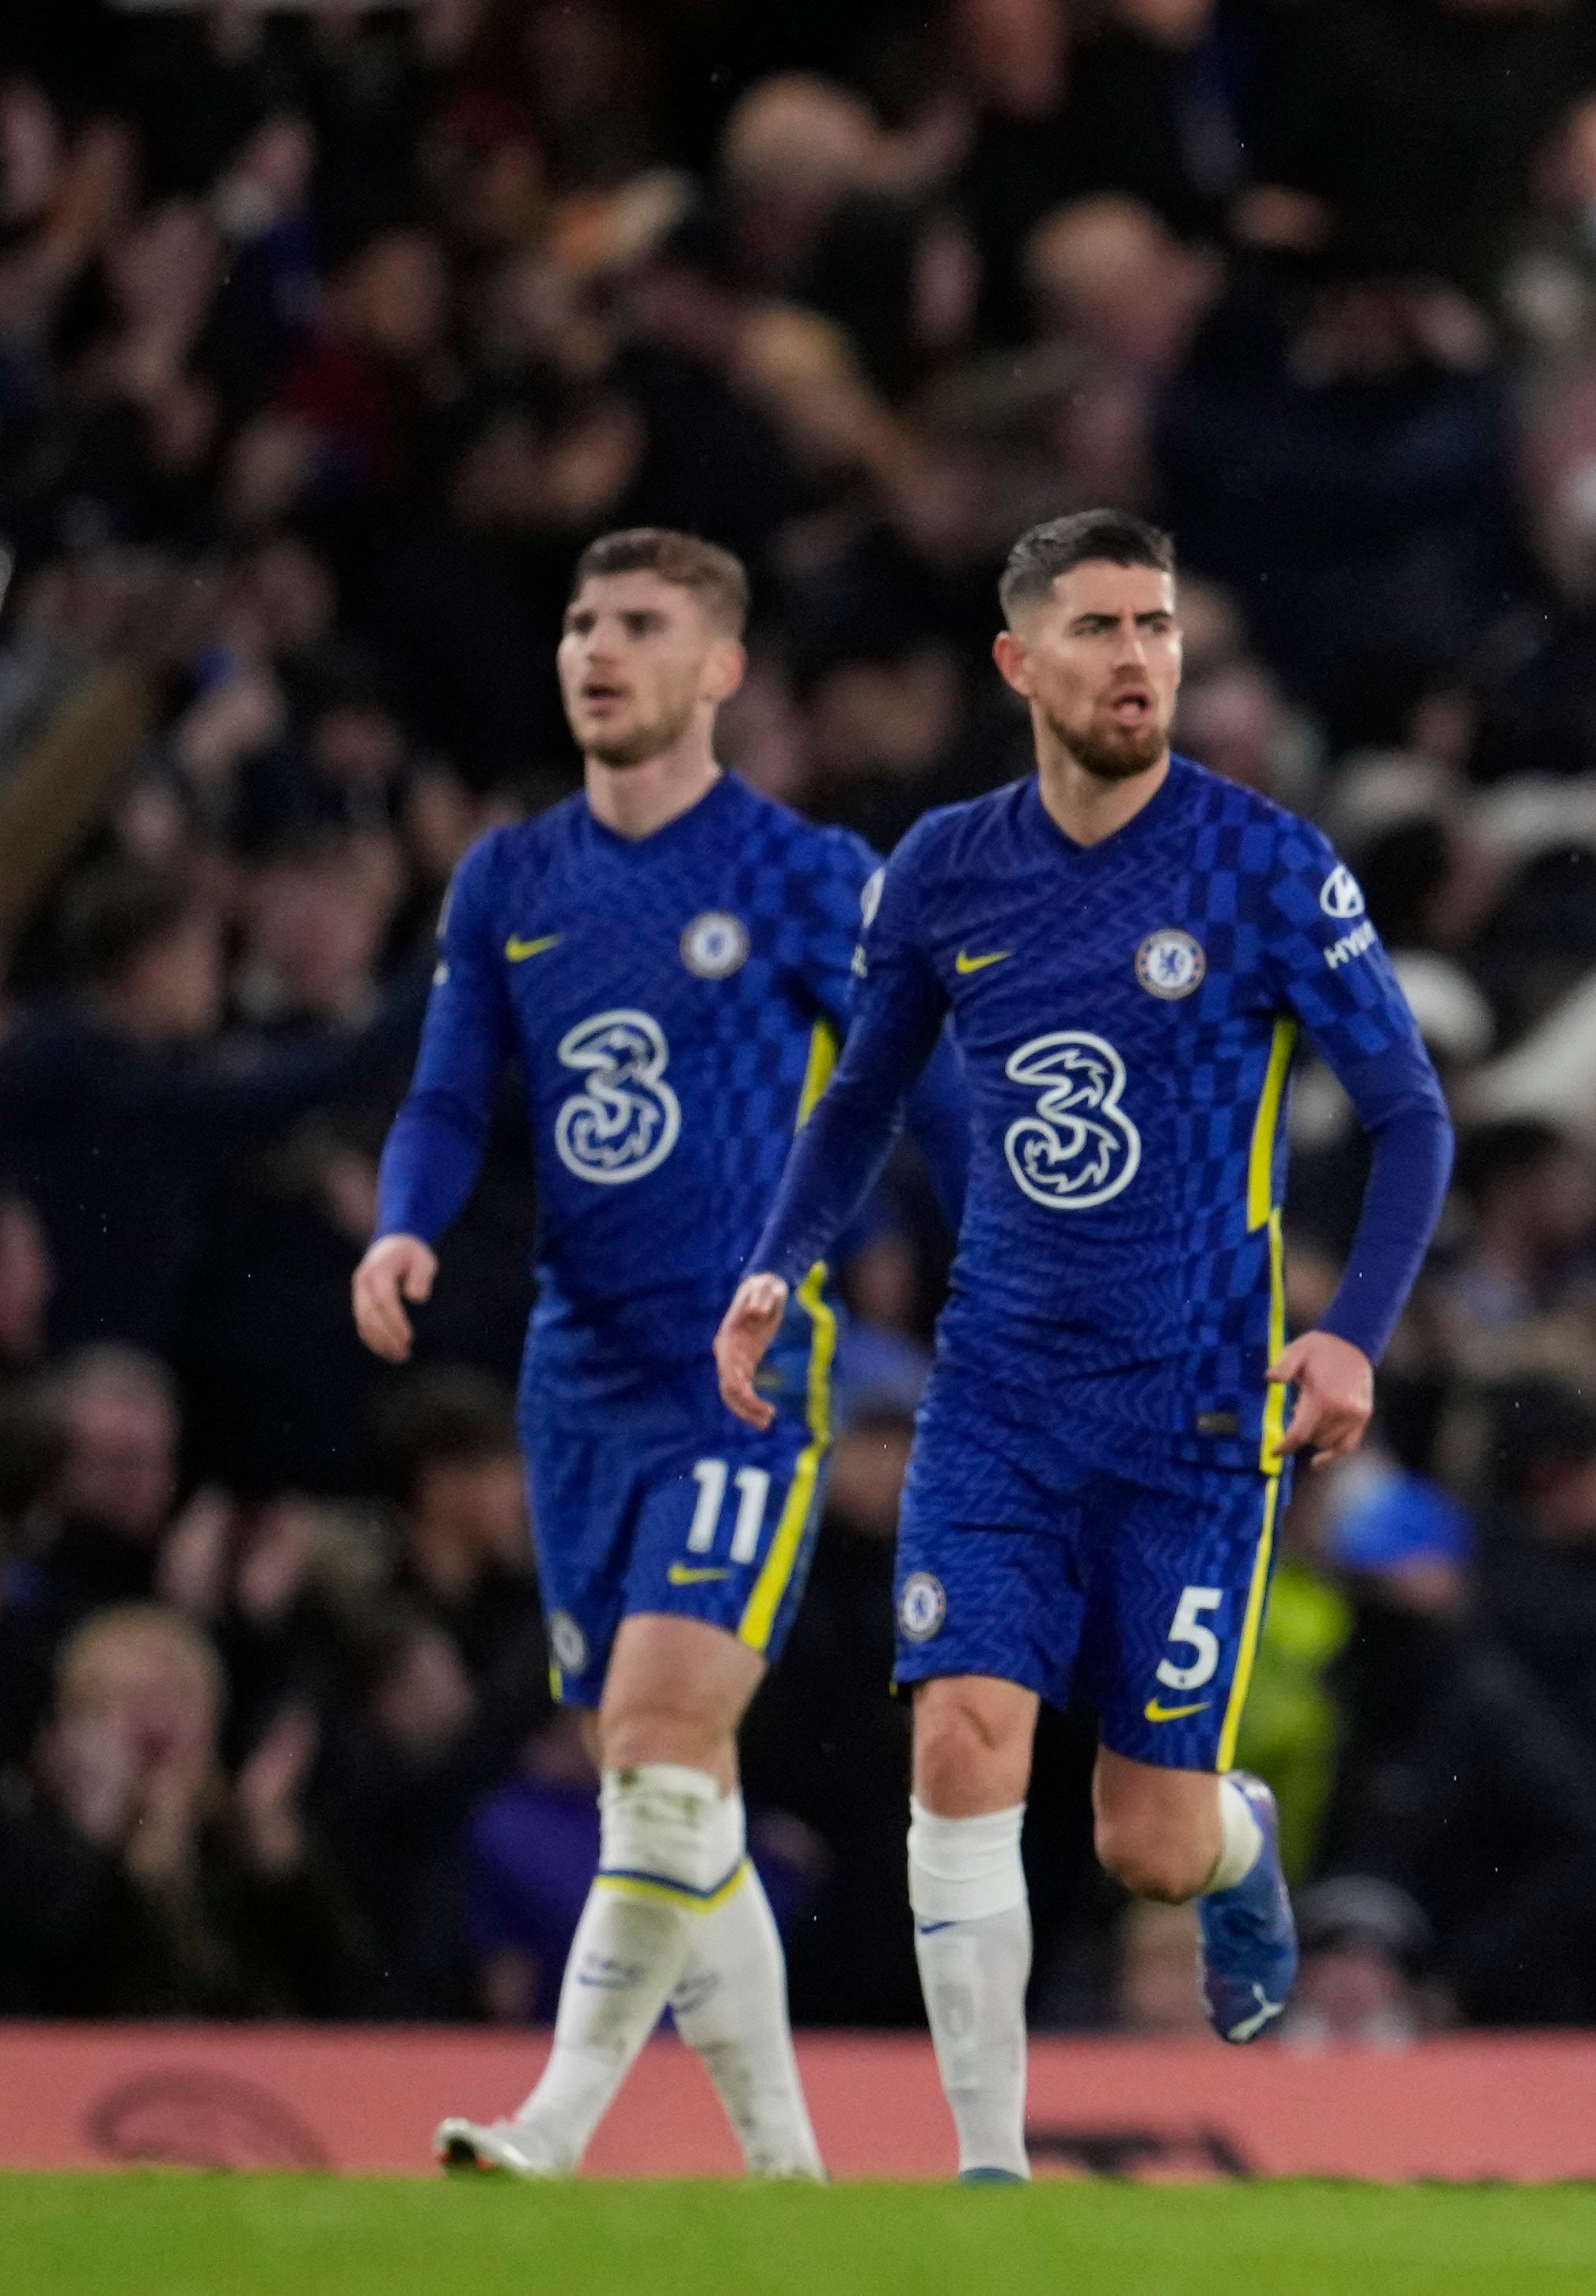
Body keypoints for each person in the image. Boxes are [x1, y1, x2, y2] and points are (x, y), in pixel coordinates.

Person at [719, 509, 1453, 2183]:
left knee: (1148, 1838)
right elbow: (861, 1096)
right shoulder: (945, 869)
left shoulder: (1266, 865)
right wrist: (776, 1264)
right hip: (998, 1400)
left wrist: (1347, 1339)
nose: (1138, 659)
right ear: (1019, 661)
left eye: (1159, 626)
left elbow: (1412, 1115)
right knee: (964, 1738)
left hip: (1197, 1419)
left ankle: (1238, 1837)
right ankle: (990, 2171)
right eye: (1102, 628)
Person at [353, 526, 956, 2180]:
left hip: (742, 1370)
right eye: (577, 621)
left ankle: (553, 2123)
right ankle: (785, 2170)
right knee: (679, 1784)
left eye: (637, 624)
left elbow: (937, 1090)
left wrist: (1014, 1282)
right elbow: (449, 1092)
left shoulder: (810, 874)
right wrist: (407, 1220)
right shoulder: (509, 880)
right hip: (578, 1377)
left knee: (656, 1736)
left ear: (720, 669)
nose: (595, 649)